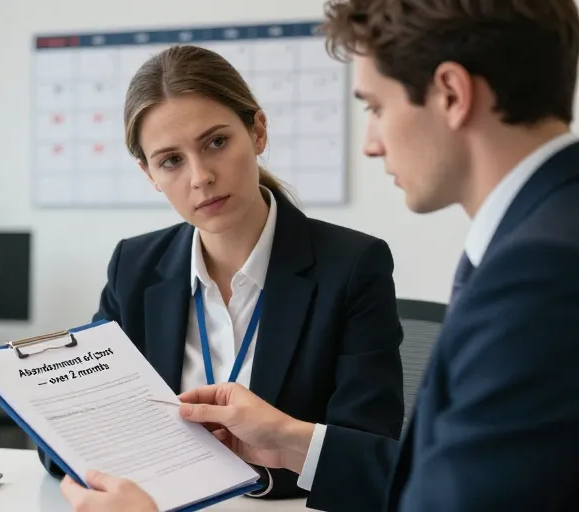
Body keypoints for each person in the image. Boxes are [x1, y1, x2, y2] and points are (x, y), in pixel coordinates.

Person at [59, 0, 579, 511]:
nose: (370, 143)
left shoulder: (538, 270)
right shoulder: (535, 242)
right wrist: (290, 440)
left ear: (451, 93)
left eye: (375, 107)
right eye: (170, 160)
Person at [40, 43, 407, 501]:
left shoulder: (352, 265)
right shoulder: (134, 267)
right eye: (171, 161)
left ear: (257, 132)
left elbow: (370, 451)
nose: (200, 177)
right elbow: (69, 436)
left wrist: (260, 468)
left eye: (216, 142)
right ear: (149, 174)